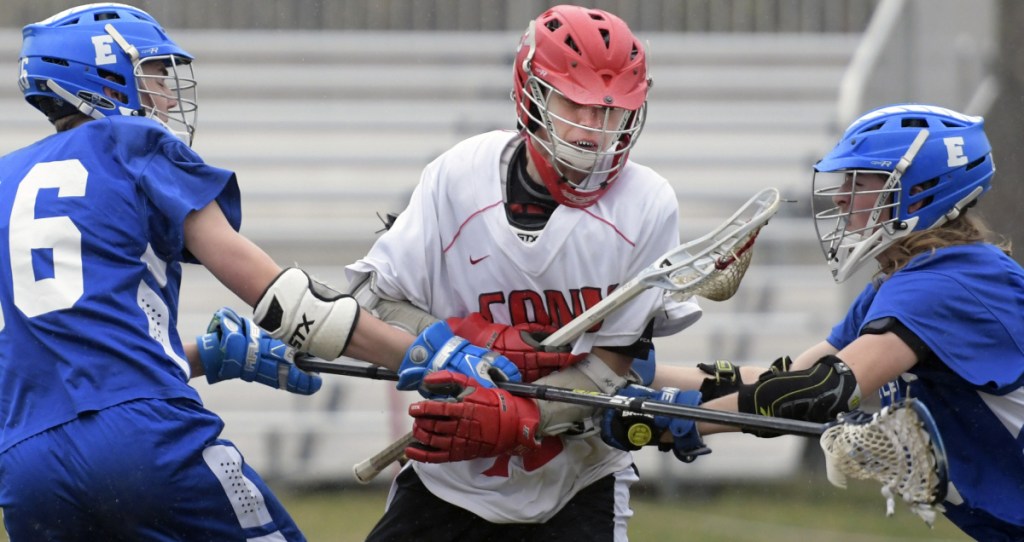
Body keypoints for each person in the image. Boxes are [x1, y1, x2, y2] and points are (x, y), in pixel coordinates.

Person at [0, 4, 520, 540]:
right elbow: (286, 302)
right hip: (145, 439)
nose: (167, 92)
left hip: (26, 464)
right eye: (154, 74)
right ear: (104, 78)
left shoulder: (6, 181)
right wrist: (421, 354)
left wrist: (206, 356)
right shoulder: (131, 146)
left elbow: (60, 370)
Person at [344, 5, 703, 541]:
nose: (594, 132)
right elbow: (373, 302)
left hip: (579, 480)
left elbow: (614, 367)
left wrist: (523, 416)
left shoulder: (647, 204)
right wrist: (465, 340)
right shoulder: (458, 178)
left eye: (611, 113)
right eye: (575, 105)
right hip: (449, 480)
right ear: (530, 93)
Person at [601, 104, 1024, 541]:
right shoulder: (906, 282)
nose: (841, 196)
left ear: (921, 191)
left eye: (861, 181)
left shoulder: (947, 282)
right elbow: (790, 379)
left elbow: (824, 391)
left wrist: (675, 421)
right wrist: (646, 377)